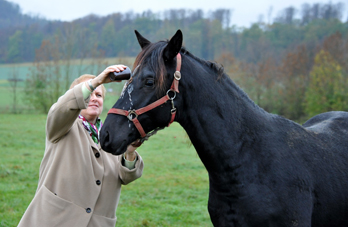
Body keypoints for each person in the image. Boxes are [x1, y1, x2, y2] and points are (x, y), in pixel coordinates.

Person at [18, 65, 144, 227]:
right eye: (89, 93)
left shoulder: (109, 136)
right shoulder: (61, 126)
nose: (94, 98)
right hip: (56, 219)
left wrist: (130, 152)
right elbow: (61, 109)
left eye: (99, 95)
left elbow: (127, 176)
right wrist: (97, 81)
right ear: (77, 99)